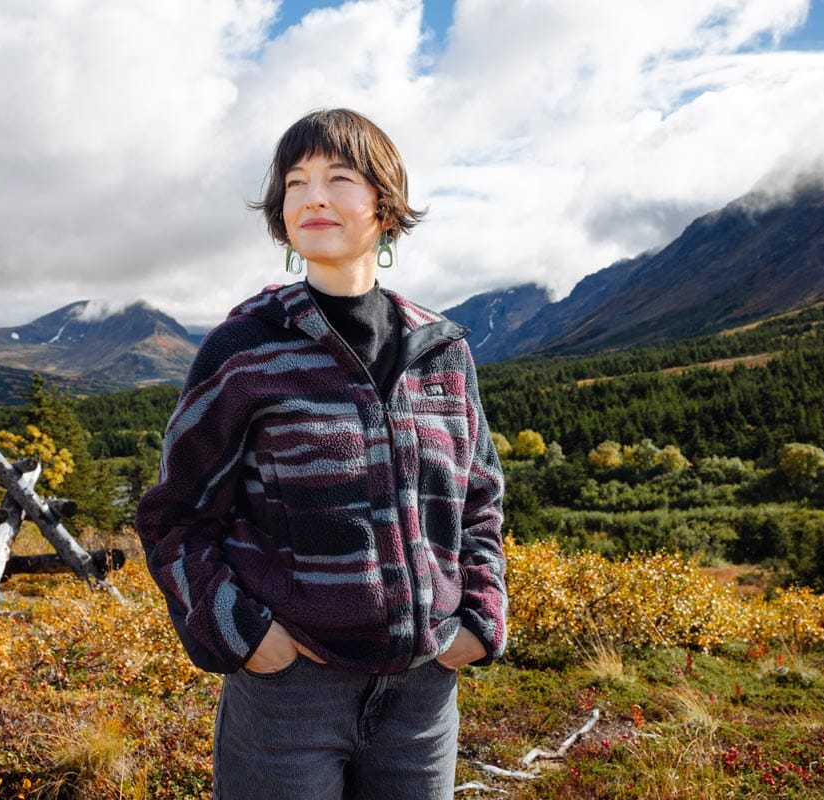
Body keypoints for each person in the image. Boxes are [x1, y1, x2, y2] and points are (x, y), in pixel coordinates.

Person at [135, 108, 506, 800]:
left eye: (339, 178)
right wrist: (243, 634)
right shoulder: (246, 349)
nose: (313, 197)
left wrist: (481, 619)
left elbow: (478, 502)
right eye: (296, 182)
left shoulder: (444, 352)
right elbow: (174, 517)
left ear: (385, 205)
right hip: (290, 697)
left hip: (423, 699)